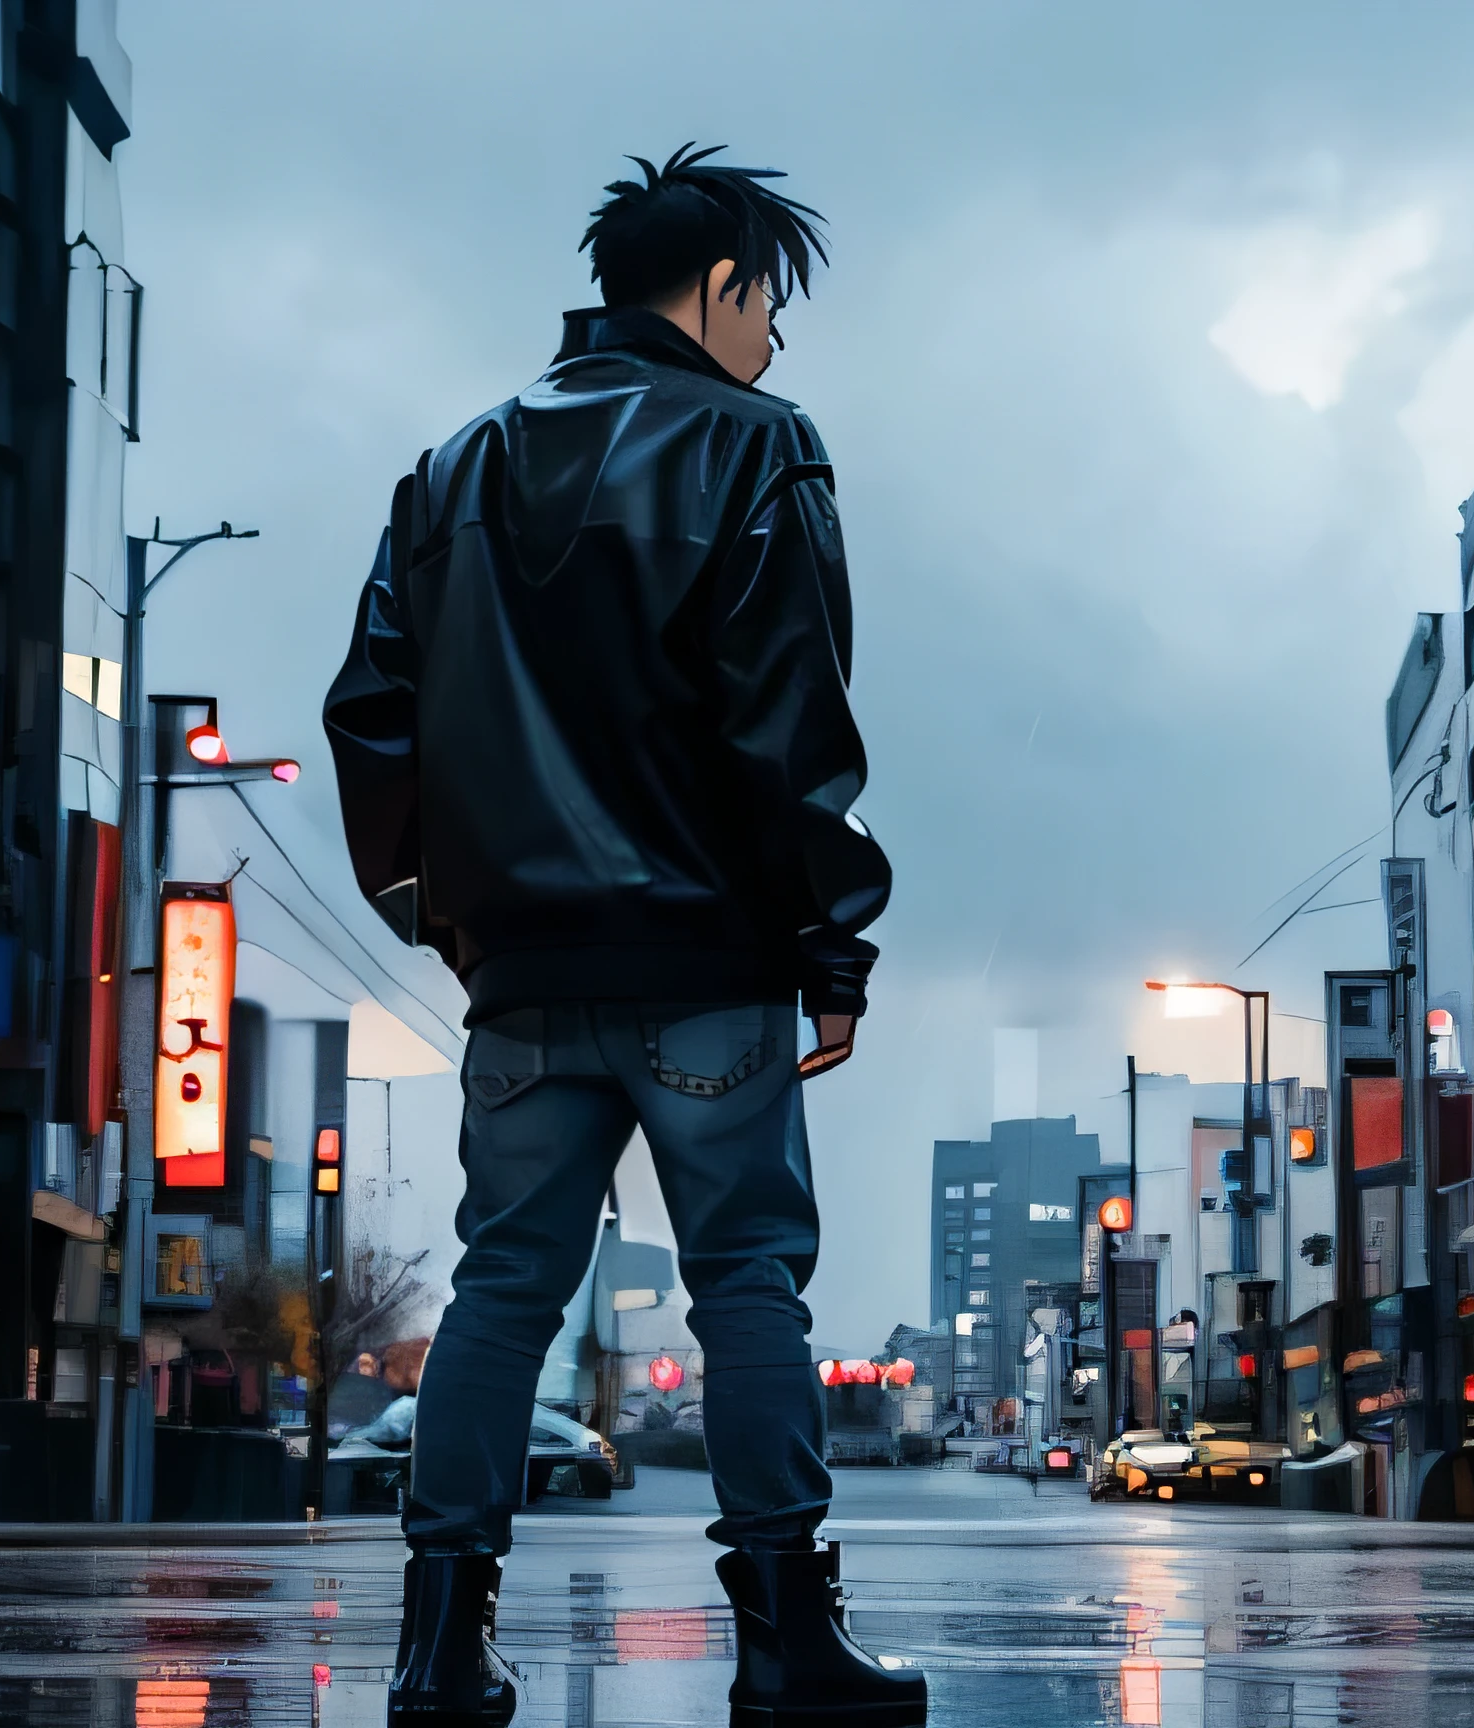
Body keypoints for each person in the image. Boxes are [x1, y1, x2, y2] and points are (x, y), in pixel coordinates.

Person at [326, 145, 919, 1728]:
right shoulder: (757, 446)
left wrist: (445, 918)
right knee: (746, 1288)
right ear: (720, 284)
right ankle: (790, 1646)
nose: (776, 342)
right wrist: (835, 944)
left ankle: (439, 1654)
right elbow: (790, 717)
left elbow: (372, 714)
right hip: (708, 965)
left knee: (500, 1291)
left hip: (522, 977)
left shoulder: (452, 468)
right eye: (768, 305)